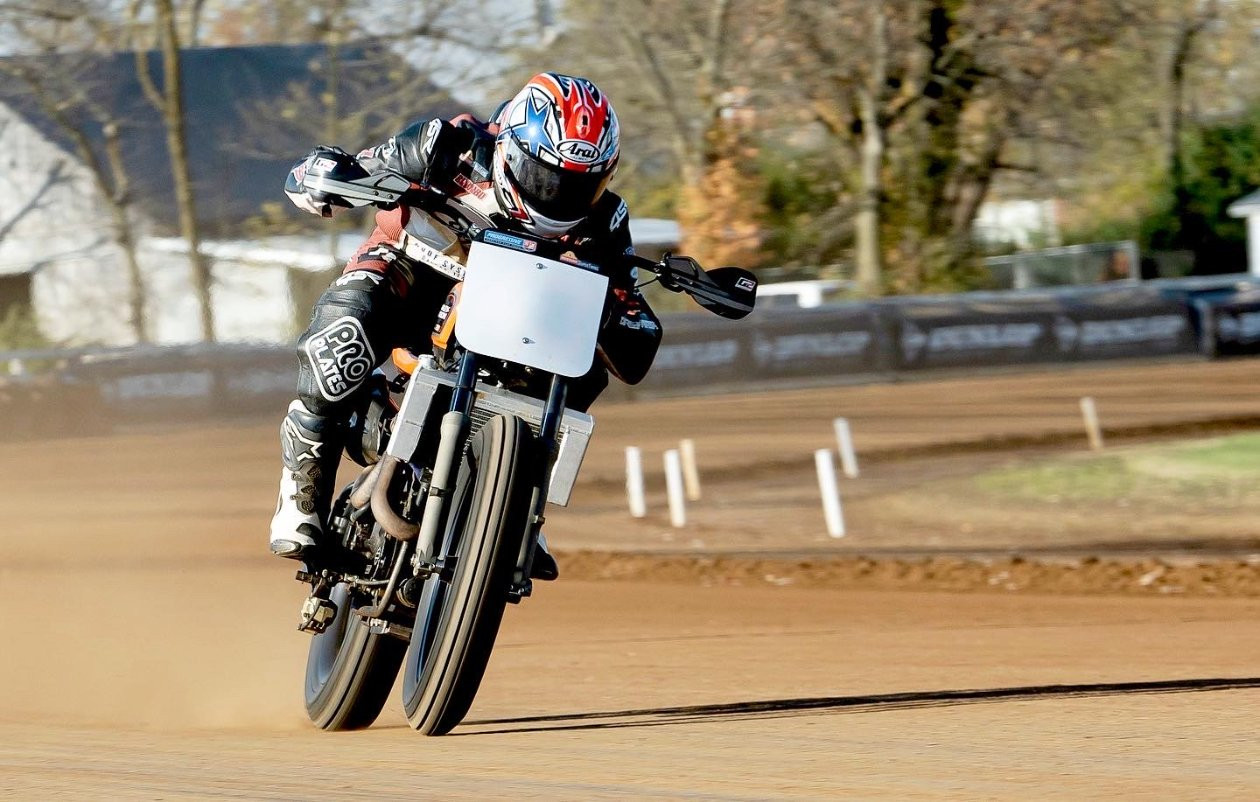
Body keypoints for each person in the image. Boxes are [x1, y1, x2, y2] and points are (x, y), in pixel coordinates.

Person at [268, 72, 663, 574]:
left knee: (588, 361)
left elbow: (633, 326)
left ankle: (517, 509)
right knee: (346, 332)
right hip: (415, 278)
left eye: (578, 185)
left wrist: (622, 314)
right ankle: (301, 494)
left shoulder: (605, 220)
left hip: (521, 322)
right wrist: (329, 175)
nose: (558, 194)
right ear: (511, 146)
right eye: (546, 177)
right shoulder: (446, 146)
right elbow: (349, 171)